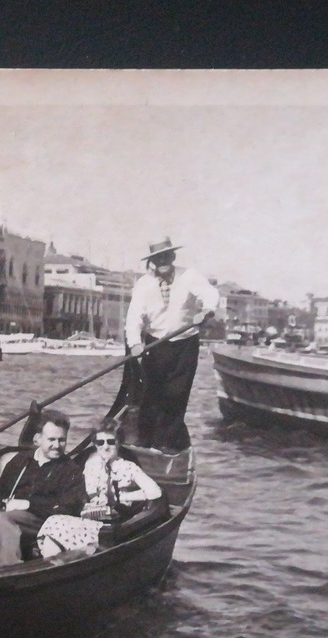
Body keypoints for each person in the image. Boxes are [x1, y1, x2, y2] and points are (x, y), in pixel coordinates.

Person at [121, 237, 222, 452]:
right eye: (158, 257)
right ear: (152, 261)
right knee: (151, 394)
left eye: (166, 256)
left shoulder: (189, 276)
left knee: (177, 395)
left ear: (173, 257)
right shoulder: (143, 284)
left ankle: (168, 445)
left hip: (185, 344)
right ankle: (146, 443)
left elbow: (211, 295)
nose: (162, 260)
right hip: (155, 345)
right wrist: (135, 344)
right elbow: (133, 319)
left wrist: (206, 311)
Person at [0, 409, 84, 567]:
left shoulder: (70, 470)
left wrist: (29, 505)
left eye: (61, 440)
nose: (57, 445)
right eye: (51, 439)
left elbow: (70, 508)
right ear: (38, 439)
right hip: (4, 516)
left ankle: (6, 570)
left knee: (3, 519)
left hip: (41, 522)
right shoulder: (20, 461)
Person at [37, 419, 164, 557]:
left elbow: (155, 492)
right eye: (100, 442)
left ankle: (59, 566)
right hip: (87, 518)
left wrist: (122, 497)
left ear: (118, 442)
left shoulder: (128, 467)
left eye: (110, 442)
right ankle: (52, 567)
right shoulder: (90, 464)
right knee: (53, 526)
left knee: (55, 524)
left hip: (111, 525)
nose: (105, 447)